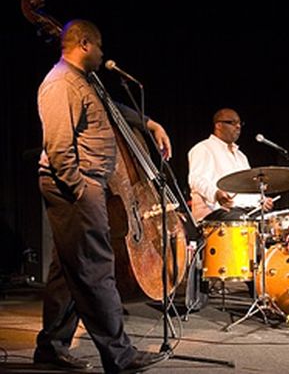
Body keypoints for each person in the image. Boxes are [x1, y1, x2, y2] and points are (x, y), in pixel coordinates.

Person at [33, 19, 169, 374]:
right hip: (76, 185)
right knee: (96, 269)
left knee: (67, 269)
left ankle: (51, 346)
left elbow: (108, 109)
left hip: (87, 184)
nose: (104, 53)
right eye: (101, 46)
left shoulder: (82, 82)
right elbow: (59, 147)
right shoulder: (60, 83)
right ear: (85, 44)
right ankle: (119, 356)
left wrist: (148, 122)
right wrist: (79, 188)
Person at [188, 108, 273, 223]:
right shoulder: (203, 148)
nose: (238, 126)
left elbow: (246, 188)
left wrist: (261, 200)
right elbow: (196, 179)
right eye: (232, 123)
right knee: (242, 219)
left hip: (243, 212)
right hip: (216, 214)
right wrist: (216, 193)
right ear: (218, 125)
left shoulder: (241, 156)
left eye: (239, 123)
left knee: (272, 220)